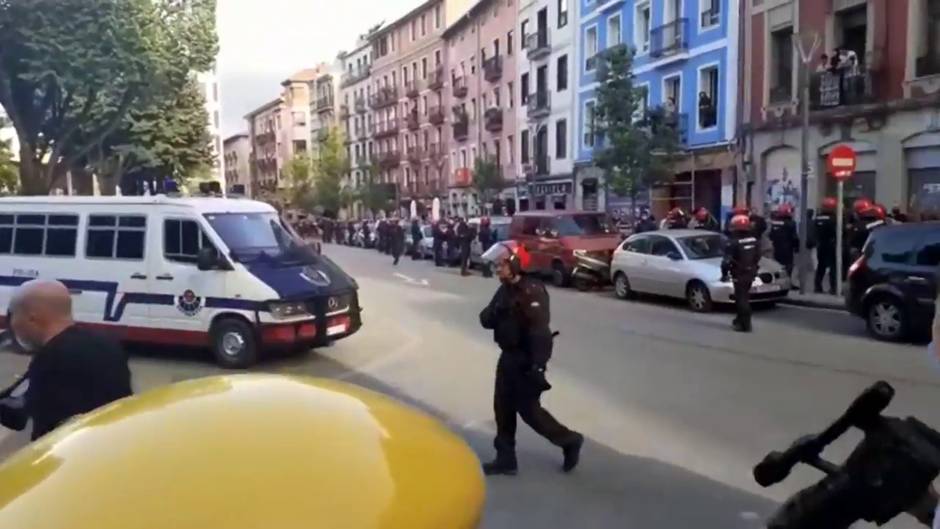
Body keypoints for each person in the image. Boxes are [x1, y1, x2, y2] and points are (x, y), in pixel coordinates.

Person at [478, 242, 583, 475]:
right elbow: (485, 319)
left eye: (501, 264)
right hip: (507, 357)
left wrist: (538, 367)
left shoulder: (532, 291)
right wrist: (497, 311)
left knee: (530, 412)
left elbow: (540, 333)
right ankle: (506, 458)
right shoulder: (505, 289)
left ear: (515, 264)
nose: (497, 269)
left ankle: (569, 440)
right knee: (503, 408)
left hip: (525, 361)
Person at [0, 280, 132, 440]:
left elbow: (16, 414)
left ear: (32, 318)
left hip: (69, 457)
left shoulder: (54, 357)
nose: (11, 326)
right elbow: (15, 402)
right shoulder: (107, 344)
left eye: (11, 316)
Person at [721, 214, 761, 333]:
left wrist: (724, 274)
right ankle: (739, 319)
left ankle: (745, 324)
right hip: (751, 272)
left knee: (741, 299)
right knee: (744, 296)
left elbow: (726, 262)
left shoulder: (733, 242)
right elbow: (757, 256)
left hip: (739, 273)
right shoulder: (754, 240)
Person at [813, 197, 839, 294]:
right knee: (833, 267)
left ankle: (817, 286)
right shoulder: (834, 218)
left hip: (821, 244)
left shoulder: (817, 218)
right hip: (831, 244)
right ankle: (833, 288)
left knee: (821, 267)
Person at [769, 203, 799, 277]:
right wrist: (797, 247)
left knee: (776, 264)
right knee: (788, 265)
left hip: (776, 247)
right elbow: (794, 237)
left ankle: (778, 279)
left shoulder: (774, 222)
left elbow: (771, 235)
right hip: (787, 248)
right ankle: (787, 279)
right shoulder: (791, 223)